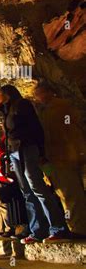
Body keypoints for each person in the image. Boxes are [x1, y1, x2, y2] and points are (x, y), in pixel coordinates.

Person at [0, 85, 68, 244]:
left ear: (6, 95)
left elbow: (35, 127)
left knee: (37, 187)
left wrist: (41, 151)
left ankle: (57, 227)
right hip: (15, 151)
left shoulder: (22, 105)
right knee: (26, 191)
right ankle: (38, 230)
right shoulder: (6, 110)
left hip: (26, 148)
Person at [34, 82, 86, 236]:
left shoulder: (60, 109)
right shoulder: (48, 111)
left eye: (40, 93)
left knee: (71, 194)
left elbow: (68, 131)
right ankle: (75, 225)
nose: (38, 98)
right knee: (64, 194)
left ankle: (79, 228)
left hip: (64, 157)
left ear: (50, 92)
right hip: (56, 159)